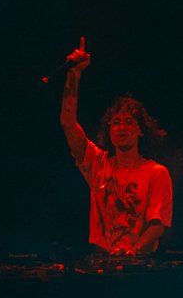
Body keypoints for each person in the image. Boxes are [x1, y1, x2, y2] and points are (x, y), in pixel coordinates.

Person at [60, 37, 173, 255]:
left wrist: (132, 251)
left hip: (139, 268)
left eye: (129, 122)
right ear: (109, 129)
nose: (122, 127)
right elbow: (67, 123)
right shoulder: (98, 163)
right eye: (117, 122)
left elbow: (158, 224)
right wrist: (73, 76)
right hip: (101, 264)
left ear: (141, 130)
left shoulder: (156, 173)